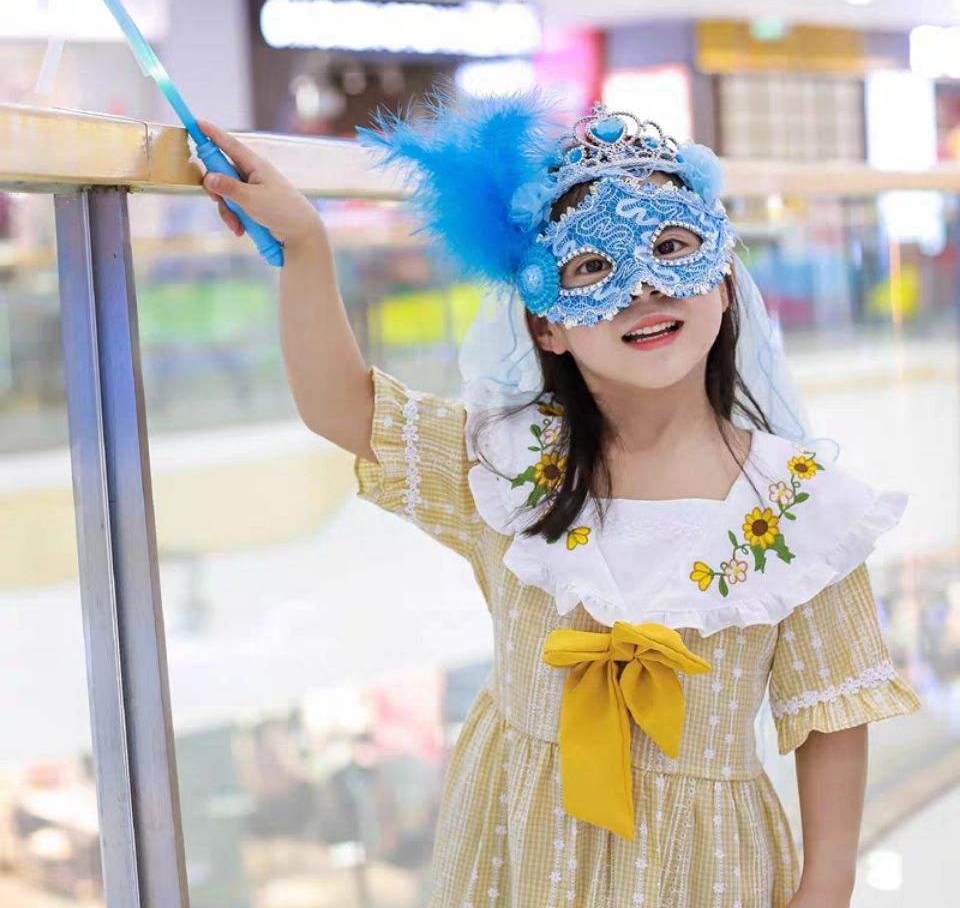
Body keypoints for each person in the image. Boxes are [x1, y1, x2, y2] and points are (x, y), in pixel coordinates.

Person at [196, 93, 922, 908]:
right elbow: (343, 407)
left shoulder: (802, 512)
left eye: (672, 247)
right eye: (593, 268)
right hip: (520, 847)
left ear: (723, 280)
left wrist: (827, 883)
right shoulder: (509, 468)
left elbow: (828, 714)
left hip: (705, 868)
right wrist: (304, 242)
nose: (642, 287)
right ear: (546, 326)